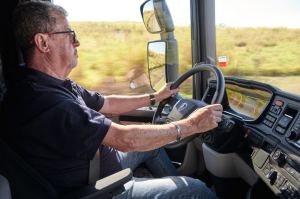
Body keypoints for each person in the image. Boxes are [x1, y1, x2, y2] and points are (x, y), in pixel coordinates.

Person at [0, 1, 223, 198]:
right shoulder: (47, 103)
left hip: (99, 164)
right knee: (197, 189)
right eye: (69, 35)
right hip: (98, 188)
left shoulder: (49, 83)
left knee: (154, 146)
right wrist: (193, 124)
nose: (76, 43)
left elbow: (107, 103)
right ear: (43, 43)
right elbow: (126, 140)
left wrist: (155, 97)